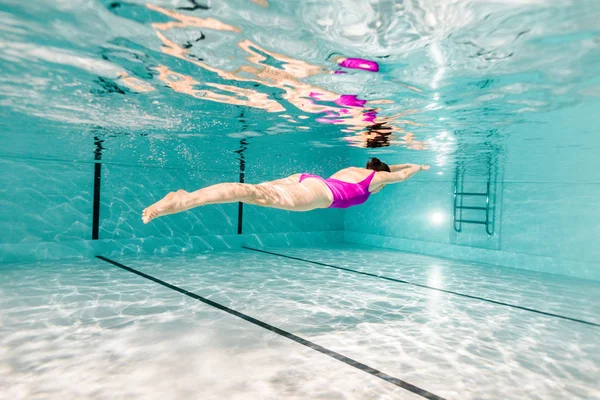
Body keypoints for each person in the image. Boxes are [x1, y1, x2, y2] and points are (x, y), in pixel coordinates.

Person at [141, 158, 430, 224]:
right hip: (319, 193)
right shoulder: (377, 180)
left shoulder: (358, 169)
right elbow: (401, 175)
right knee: (250, 193)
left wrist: (410, 162)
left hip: (306, 178)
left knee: (253, 191)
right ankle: (184, 199)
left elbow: (395, 168)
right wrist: (417, 167)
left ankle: (188, 196)